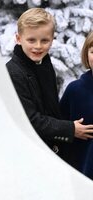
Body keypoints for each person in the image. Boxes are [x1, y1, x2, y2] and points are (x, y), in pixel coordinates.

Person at [6, 8, 93, 157]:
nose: (38, 46)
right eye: (31, 40)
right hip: (29, 152)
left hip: (49, 150)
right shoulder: (14, 73)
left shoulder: (44, 65)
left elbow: (52, 109)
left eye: (44, 40)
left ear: (52, 40)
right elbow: (28, 120)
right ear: (18, 38)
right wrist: (70, 129)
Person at [60, 31, 93, 179]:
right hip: (81, 174)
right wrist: (70, 129)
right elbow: (57, 127)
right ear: (86, 54)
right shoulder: (75, 90)